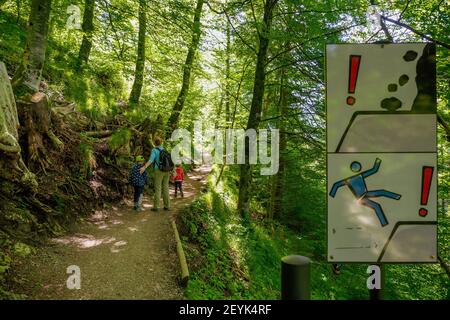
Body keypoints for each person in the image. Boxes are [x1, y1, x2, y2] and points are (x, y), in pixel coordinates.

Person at [139, 137, 170, 211]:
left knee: (158, 188)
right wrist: (173, 171)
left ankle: (156, 207)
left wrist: (144, 167)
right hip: (167, 171)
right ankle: (167, 206)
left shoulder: (154, 150)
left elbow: (151, 160)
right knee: (165, 188)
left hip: (158, 170)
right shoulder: (164, 149)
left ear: (154, 143)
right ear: (161, 142)